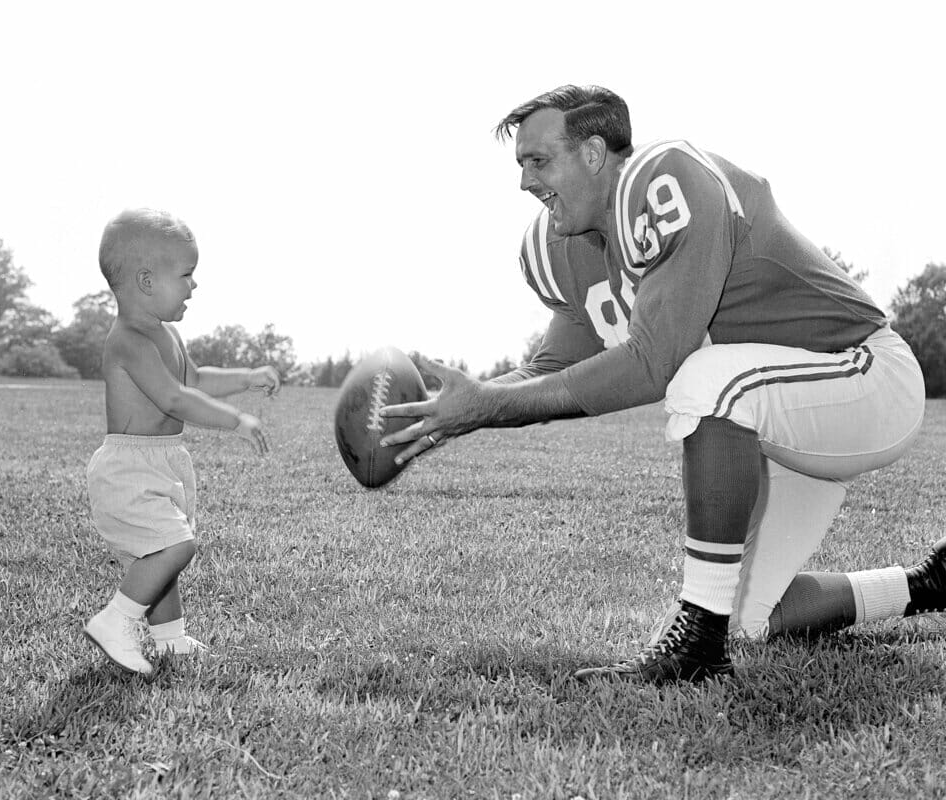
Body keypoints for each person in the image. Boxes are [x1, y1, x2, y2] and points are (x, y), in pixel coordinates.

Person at [379, 85, 945, 685]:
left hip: (863, 375)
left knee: (703, 380)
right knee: (746, 616)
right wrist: (454, 409)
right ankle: (925, 584)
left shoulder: (663, 178)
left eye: (538, 161)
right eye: (520, 164)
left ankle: (696, 650)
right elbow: (550, 370)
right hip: (773, 412)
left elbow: (655, 361)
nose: (524, 182)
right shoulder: (559, 247)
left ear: (595, 153)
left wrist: (486, 406)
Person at [84, 208, 280, 676]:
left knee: (160, 553)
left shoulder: (166, 335)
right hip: (129, 467)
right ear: (147, 281)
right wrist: (235, 420)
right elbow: (175, 397)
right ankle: (115, 621)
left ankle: (170, 640)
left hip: (159, 462)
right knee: (175, 545)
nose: (194, 285)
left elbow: (194, 378)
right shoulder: (129, 339)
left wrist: (246, 378)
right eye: (187, 274)